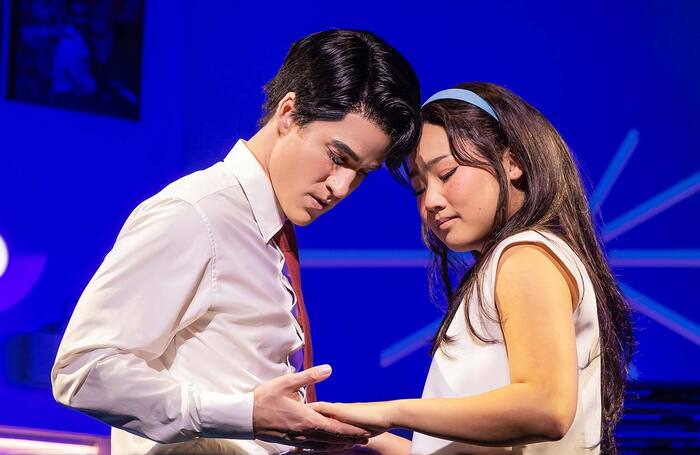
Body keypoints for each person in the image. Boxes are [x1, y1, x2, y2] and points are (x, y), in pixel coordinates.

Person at [51, 29, 421, 455]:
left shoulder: (269, 233)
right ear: (288, 113)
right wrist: (244, 415)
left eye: (361, 173)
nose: (341, 186)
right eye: (338, 157)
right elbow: (82, 370)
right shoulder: (197, 213)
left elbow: (253, 397)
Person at [310, 83, 634, 454]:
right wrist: (373, 439)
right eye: (419, 188)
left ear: (512, 162)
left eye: (446, 174)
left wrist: (391, 411)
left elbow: (547, 408)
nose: (431, 201)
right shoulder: (509, 260)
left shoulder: (525, 254)